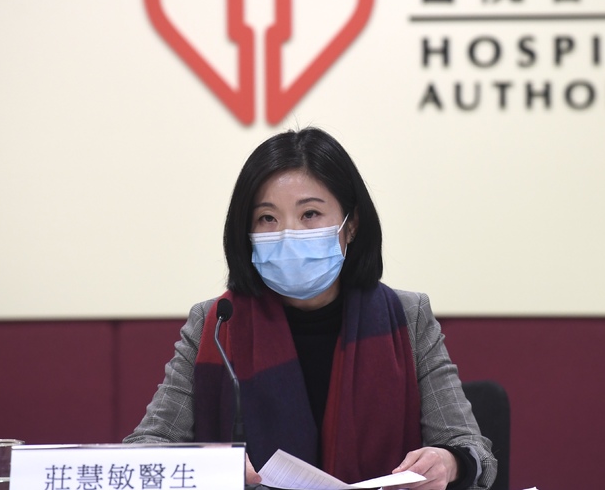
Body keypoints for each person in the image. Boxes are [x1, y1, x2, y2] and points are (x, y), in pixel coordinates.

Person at [125, 128, 497, 490]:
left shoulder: (407, 316)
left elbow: (473, 450)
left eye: (310, 214)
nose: (288, 234)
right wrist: (204, 465)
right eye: (267, 218)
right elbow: (144, 449)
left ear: (351, 225)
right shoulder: (218, 324)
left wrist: (448, 462)